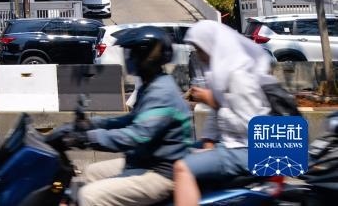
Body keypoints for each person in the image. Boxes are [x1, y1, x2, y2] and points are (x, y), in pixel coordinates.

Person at [48, 26, 193, 206]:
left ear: (148, 57)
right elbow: (129, 120)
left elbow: (135, 135)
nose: (129, 58)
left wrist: (86, 139)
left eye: (133, 54)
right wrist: (91, 124)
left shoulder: (161, 92)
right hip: (144, 162)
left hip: (161, 173)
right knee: (87, 175)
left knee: (89, 196)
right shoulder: (151, 85)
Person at [172, 21, 271, 206]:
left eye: (200, 50)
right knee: (178, 153)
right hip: (231, 144)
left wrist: (211, 100)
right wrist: (208, 139)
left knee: (182, 167)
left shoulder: (239, 76)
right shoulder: (221, 72)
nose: (198, 56)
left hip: (247, 149)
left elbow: (250, 125)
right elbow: (217, 111)